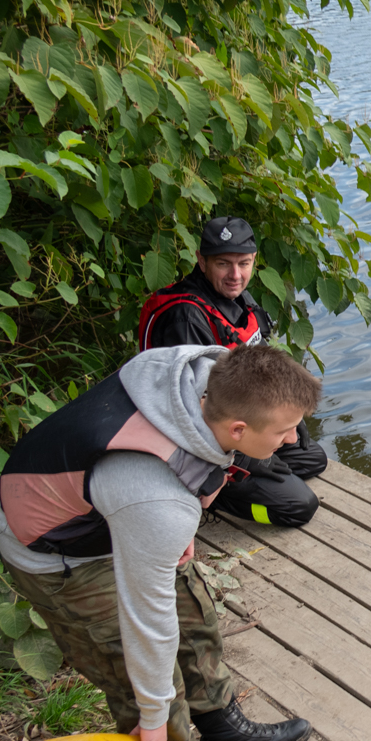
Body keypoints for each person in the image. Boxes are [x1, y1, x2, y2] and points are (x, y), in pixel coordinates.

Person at [0, 344, 323, 741]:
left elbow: (204, 467)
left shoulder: (199, 373)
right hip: (62, 553)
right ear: (237, 428)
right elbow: (144, 622)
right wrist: (152, 711)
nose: (294, 439)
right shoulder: (154, 501)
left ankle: (222, 730)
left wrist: (184, 513)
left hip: (118, 508)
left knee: (195, 613)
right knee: (141, 673)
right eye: (284, 430)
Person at [137, 215, 327, 528]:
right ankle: (213, 498)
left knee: (312, 458)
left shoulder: (239, 300)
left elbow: (262, 367)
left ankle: (255, 472)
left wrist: (289, 411)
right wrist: (247, 460)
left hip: (242, 421)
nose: (235, 275)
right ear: (201, 261)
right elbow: (192, 411)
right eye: (223, 263)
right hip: (199, 442)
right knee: (298, 507)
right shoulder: (185, 317)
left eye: (244, 263)